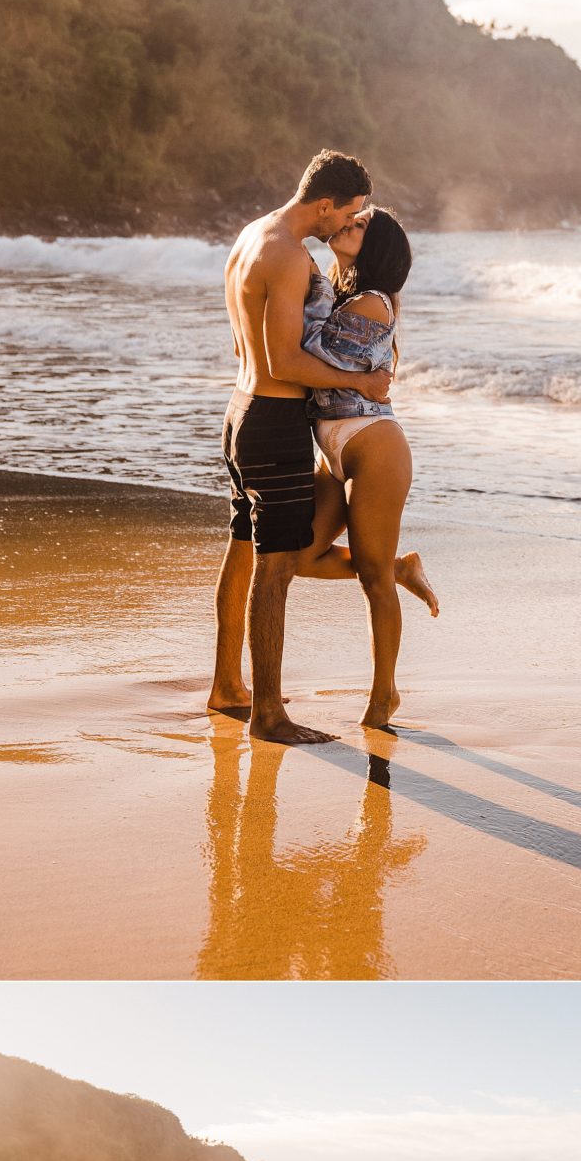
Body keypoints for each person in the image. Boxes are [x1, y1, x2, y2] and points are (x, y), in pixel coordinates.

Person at [209, 152, 391, 747]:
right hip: (275, 416)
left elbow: (253, 349)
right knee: (277, 564)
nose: (346, 225)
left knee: (243, 547)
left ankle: (227, 687)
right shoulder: (288, 256)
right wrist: (360, 382)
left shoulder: (251, 235)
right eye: (349, 213)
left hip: (241, 410)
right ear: (325, 204)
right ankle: (268, 713)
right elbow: (283, 360)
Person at [296, 207, 439, 730]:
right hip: (332, 445)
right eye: (348, 221)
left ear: (373, 247)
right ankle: (399, 567)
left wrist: (303, 287)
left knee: (371, 580)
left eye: (358, 227)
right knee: (296, 556)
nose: (345, 227)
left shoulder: (374, 304)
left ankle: (385, 693)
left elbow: (315, 353)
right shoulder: (344, 295)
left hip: (372, 444)